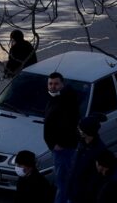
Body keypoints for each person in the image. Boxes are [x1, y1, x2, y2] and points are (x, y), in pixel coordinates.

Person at [43, 72, 79, 203]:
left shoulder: (65, 100)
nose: (52, 86)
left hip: (63, 148)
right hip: (59, 148)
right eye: (50, 84)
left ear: (62, 84)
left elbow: (68, 125)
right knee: (64, 182)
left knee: (63, 183)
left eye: (56, 84)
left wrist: (57, 144)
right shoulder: (54, 98)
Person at [68, 116, 107, 203]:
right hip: (75, 191)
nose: (78, 129)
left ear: (88, 131)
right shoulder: (82, 143)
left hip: (86, 195)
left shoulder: (99, 150)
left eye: (81, 128)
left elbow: (99, 177)